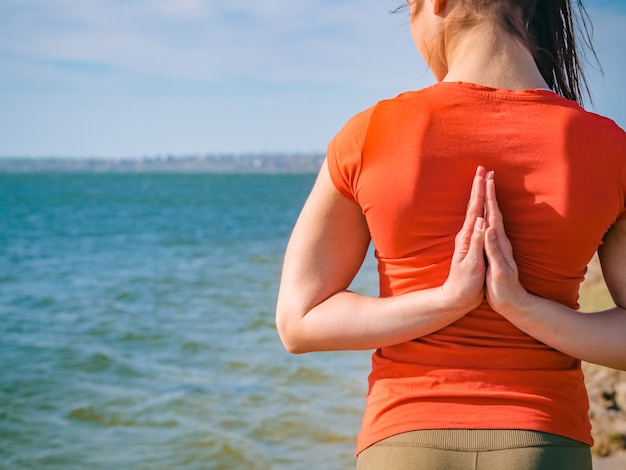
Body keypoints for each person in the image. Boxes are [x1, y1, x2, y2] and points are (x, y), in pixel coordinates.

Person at [275, 0, 626, 468]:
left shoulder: (370, 134)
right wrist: (525, 308)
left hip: (403, 439)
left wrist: (447, 299)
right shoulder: (609, 147)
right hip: (544, 439)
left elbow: (299, 321)